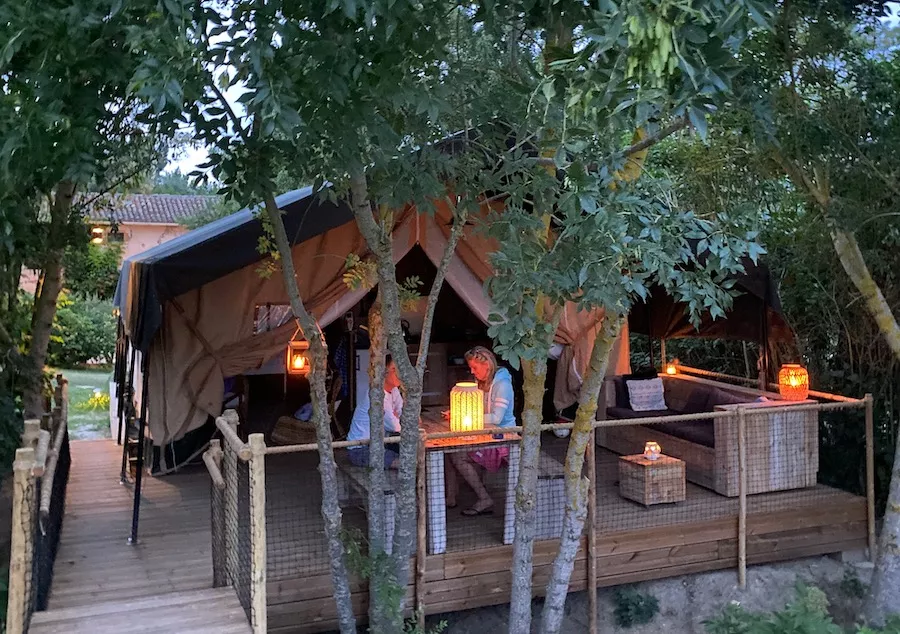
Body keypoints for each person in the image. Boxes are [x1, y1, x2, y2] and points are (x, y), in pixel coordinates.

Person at [445, 346, 516, 515]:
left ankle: (484, 498)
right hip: (485, 433)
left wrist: (464, 416)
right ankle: (451, 496)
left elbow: (497, 418)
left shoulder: (503, 385)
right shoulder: (479, 383)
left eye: (475, 368)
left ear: (487, 365)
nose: (472, 371)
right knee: (449, 452)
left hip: (502, 437)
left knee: (458, 456)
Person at [347, 355, 403, 469]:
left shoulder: (394, 390)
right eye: (393, 369)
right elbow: (395, 426)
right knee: (405, 463)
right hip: (360, 448)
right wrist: (397, 418)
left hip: (379, 443)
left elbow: (405, 413)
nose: (398, 373)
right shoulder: (377, 395)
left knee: (410, 453)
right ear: (384, 372)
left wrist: (397, 417)